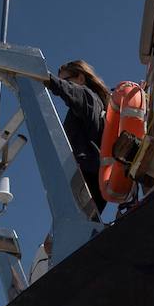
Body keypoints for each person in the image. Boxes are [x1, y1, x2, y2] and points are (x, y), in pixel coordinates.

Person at [46, 59, 110, 216]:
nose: (64, 84)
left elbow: (68, 90)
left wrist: (43, 76)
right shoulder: (95, 106)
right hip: (93, 182)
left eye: (66, 80)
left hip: (86, 179)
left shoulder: (87, 96)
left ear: (80, 78)